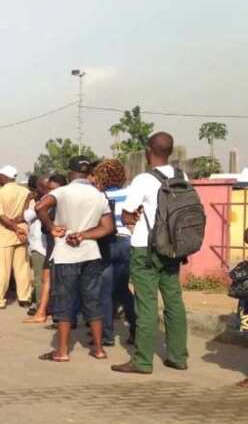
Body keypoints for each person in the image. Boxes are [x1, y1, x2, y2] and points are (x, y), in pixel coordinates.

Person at [112, 132, 189, 375]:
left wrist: (132, 219)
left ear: (148, 151)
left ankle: (143, 361)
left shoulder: (143, 179)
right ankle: (178, 357)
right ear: (170, 151)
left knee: (146, 304)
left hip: (146, 246)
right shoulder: (182, 176)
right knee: (174, 301)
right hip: (173, 247)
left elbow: (127, 213)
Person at [35, 156, 114, 362]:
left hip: (65, 254)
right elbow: (107, 228)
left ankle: (62, 351)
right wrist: (83, 235)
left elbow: (39, 208)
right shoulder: (99, 195)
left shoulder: (62, 192)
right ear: (89, 174)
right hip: (91, 253)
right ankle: (98, 348)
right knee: (92, 301)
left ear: (70, 173)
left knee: (64, 301)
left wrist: (52, 228)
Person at [91, 159, 136, 348]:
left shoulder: (98, 196)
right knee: (123, 290)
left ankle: (107, 336)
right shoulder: (130, 193)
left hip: (106, 243)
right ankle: (136, 329)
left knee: (105, 291)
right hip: (127, 243)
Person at [23, 174, 65, 325]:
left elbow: (31, 213)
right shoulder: (48, 201)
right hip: (47, 246)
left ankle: (56, 314)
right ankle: (43, 311)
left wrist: (51, 227)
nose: (49, 191)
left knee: (55, 281)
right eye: (47, 188)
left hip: (56, 246)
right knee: (46, 279)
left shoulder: (56, 202)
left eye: (52, 188)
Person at [0, 165, 32, 310]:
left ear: (4, 177)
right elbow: (29, 213)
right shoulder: (26, 192)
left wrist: (14, 227)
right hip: (22, 233)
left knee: (1, 269)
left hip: (4, 234)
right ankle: (25, 297)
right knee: (22, 267)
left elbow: (0, 215)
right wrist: (19, 227)